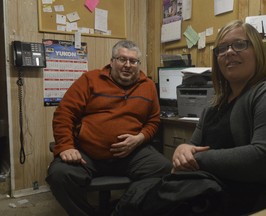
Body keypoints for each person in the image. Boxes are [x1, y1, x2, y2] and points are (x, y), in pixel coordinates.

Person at [171, 20, 266, 214]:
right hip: (204, 193)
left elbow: (263, 158)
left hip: (249, 201)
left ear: (257, 50)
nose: (229, 52)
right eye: (222, 48)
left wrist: (198, 160)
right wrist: (182, 150)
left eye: (239, 44)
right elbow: (192, 147)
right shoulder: (213, 105)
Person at [46, 40, 172, 216]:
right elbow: (64, 114)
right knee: (59, 175)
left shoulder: (148, 86)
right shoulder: (90, 80)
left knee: (165, 169)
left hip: (131, 155)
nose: (127, 65)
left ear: (138, 64)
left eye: (133, 61)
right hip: (88, 153)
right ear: (112, 61)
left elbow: (153, 121)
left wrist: (140, 138)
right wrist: (66, 146)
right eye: (122, 59)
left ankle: (121, 209)